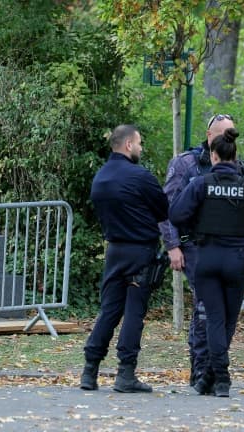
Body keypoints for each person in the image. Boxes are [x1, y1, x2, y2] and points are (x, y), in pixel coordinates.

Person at [158, 114, 244, 391]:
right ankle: (202, 371)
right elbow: (168, 208)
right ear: (210, 137)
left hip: (227, 251)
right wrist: (172, 245)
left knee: (222, 316)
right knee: (206, 312)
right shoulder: (187, 164)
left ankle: (211, 374)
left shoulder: (237, 169)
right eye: (224, 134)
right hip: (196, 246)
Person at [79, 124, 169, 393]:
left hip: (115, 250)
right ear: (129, 145)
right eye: (139, 143)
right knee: (134, 312)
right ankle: (125, 374)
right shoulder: (140, 176)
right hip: (140, 251)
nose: (141, 148)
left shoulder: (100, 177)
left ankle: (89, 371)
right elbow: (163, 210)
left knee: (109, 310)